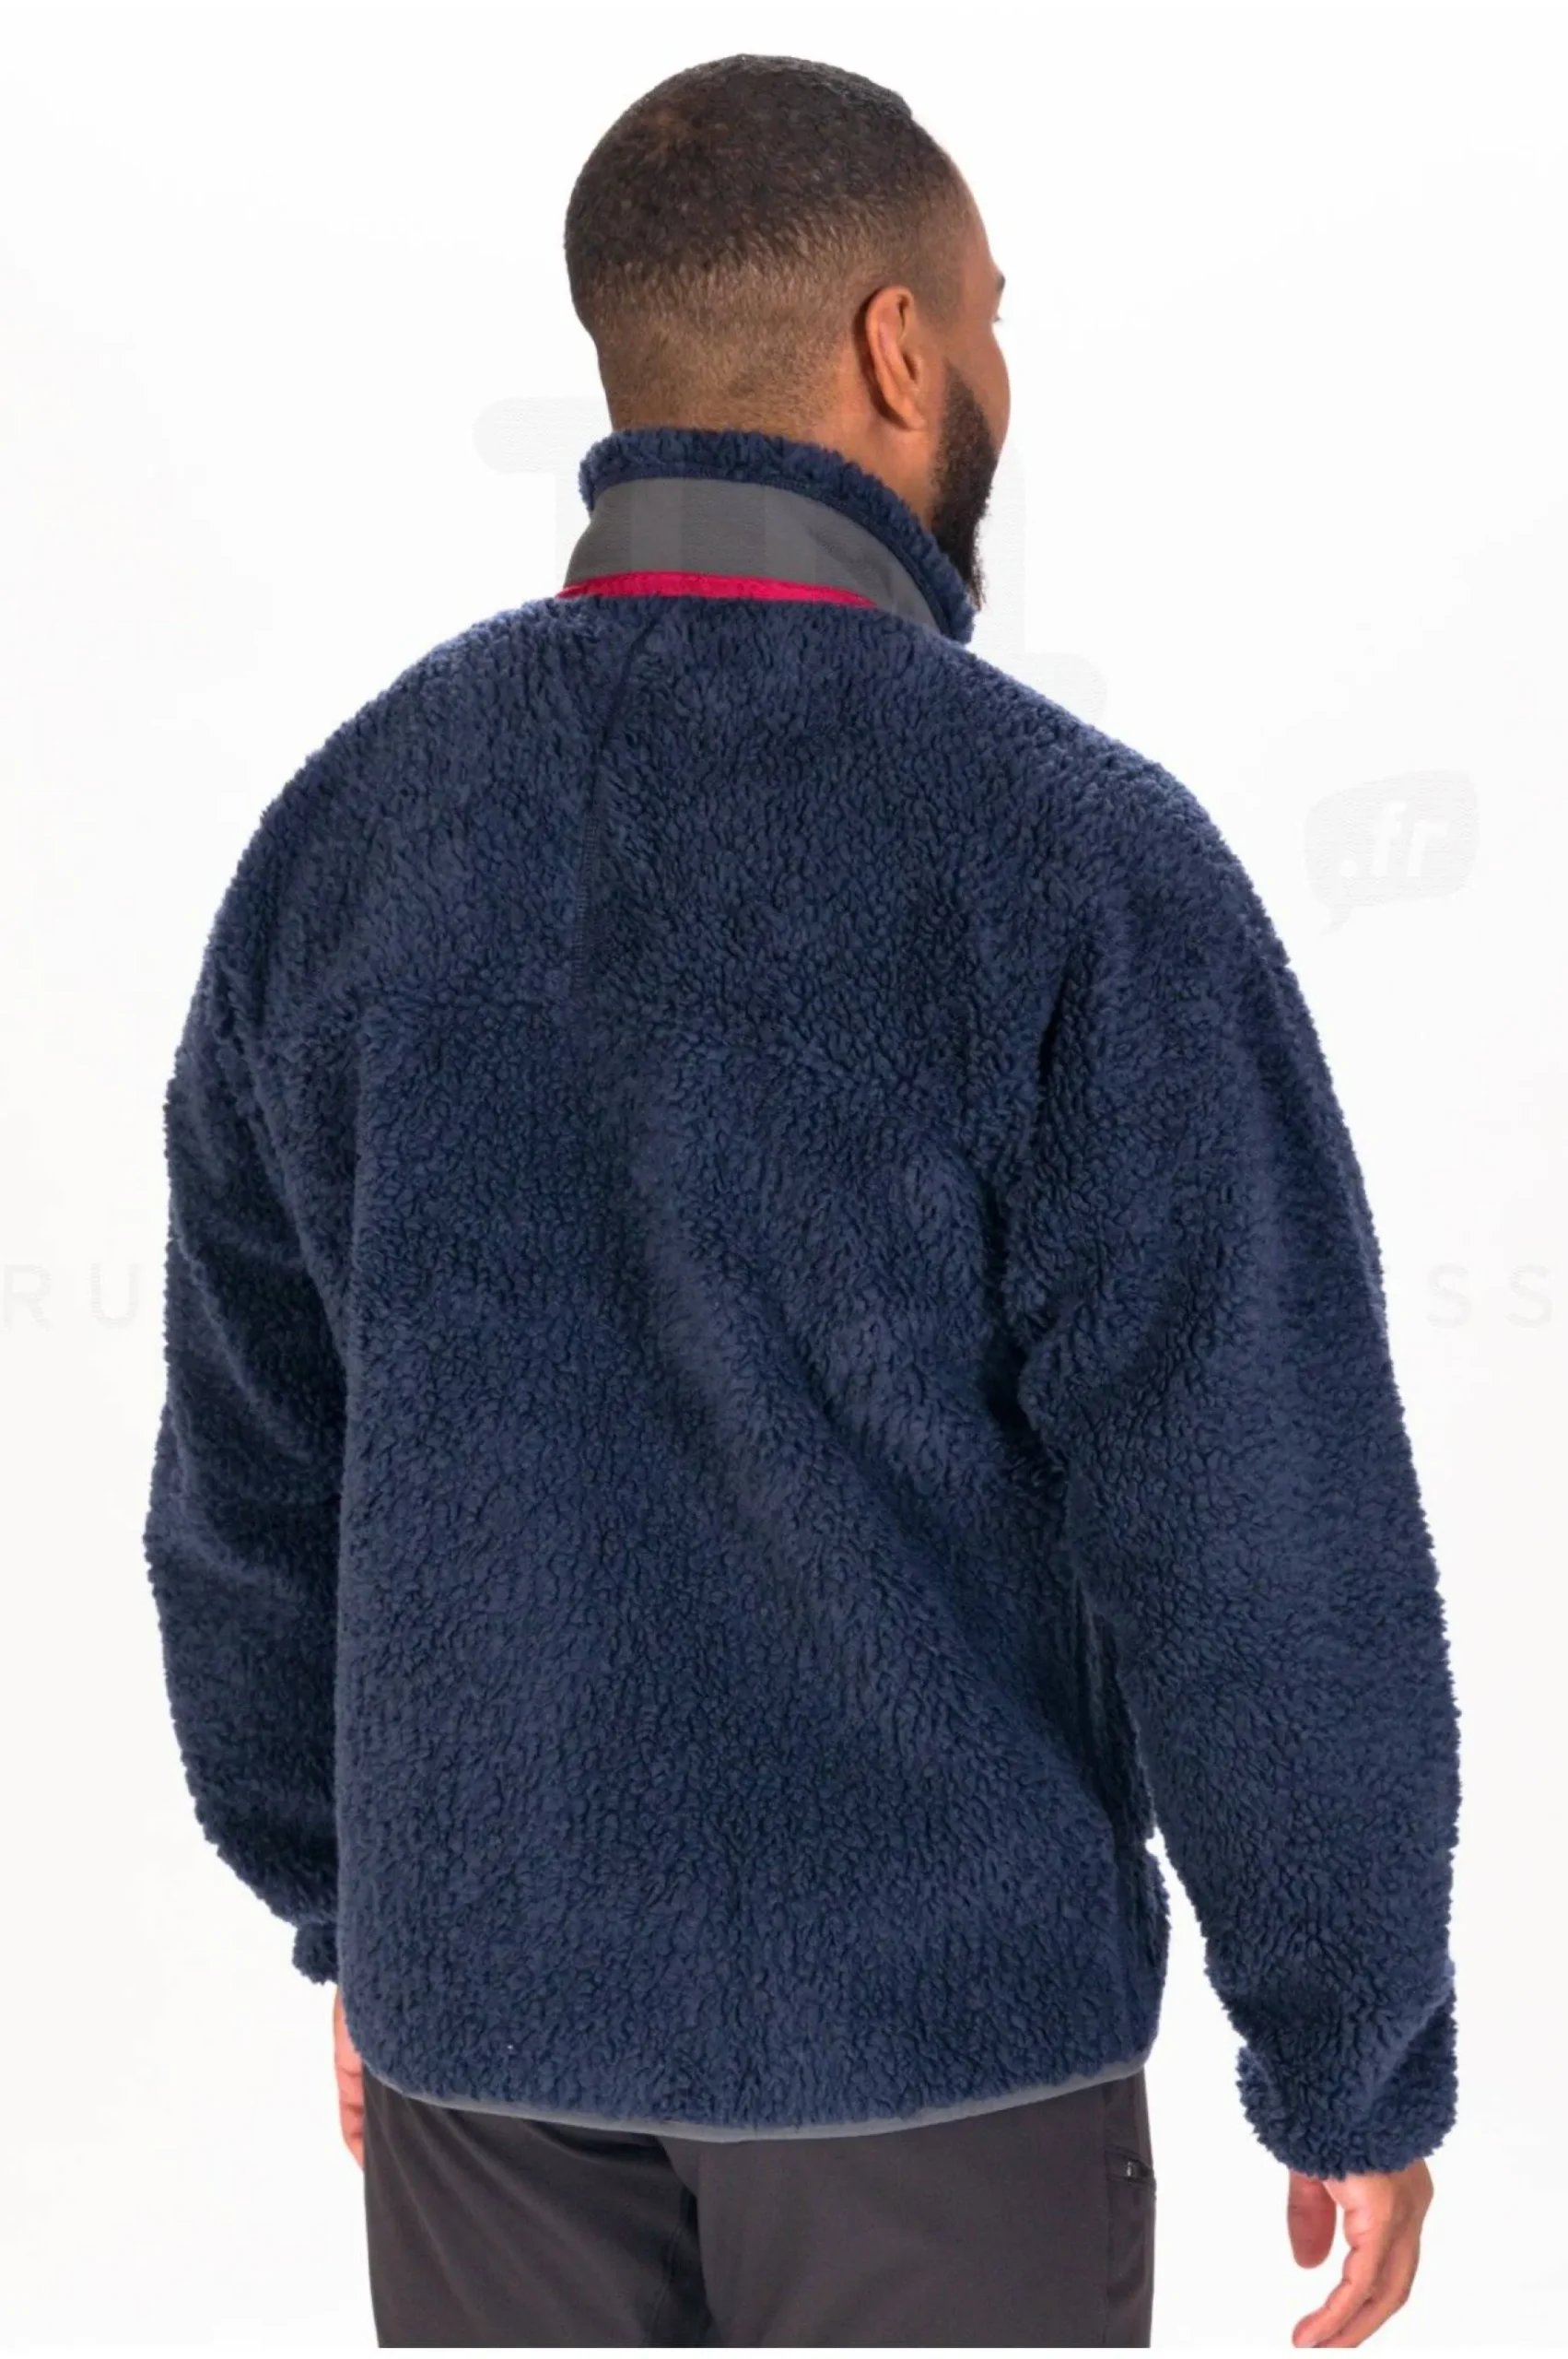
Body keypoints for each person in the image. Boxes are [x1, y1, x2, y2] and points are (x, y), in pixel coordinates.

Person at [142, 50, 1459, 2350]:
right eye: (990, 318)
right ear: (894, 348)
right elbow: (1255, 1517)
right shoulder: (1072, 861)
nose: (1000, 374)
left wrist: (353, 1902)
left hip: (485, 2046)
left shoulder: (353, 837)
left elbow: (251, 1472)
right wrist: (1343, 2042)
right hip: (938, 2063)